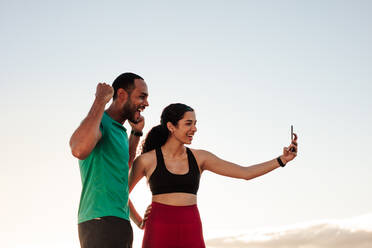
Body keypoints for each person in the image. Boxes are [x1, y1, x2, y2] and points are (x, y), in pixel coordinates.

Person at [128, 103, 298, 248]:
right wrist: (139, 222)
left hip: (191, 225)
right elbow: (121, 193)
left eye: (195, 123)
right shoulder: (146, 160)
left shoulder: (201, 157)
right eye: (188, 123)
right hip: (159, 227)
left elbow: (245, 173)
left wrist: (282, 160)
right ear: (171, 127)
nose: (194, 129)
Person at [69, 72, 149, 248]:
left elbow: (122, 168)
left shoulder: (120, 130)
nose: (146, 103)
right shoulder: (99, 122)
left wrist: (136, 133)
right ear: (121, 95)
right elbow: (79, 148)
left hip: (119, 220)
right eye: (141, 97)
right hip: (100, 220)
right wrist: (99, 100)